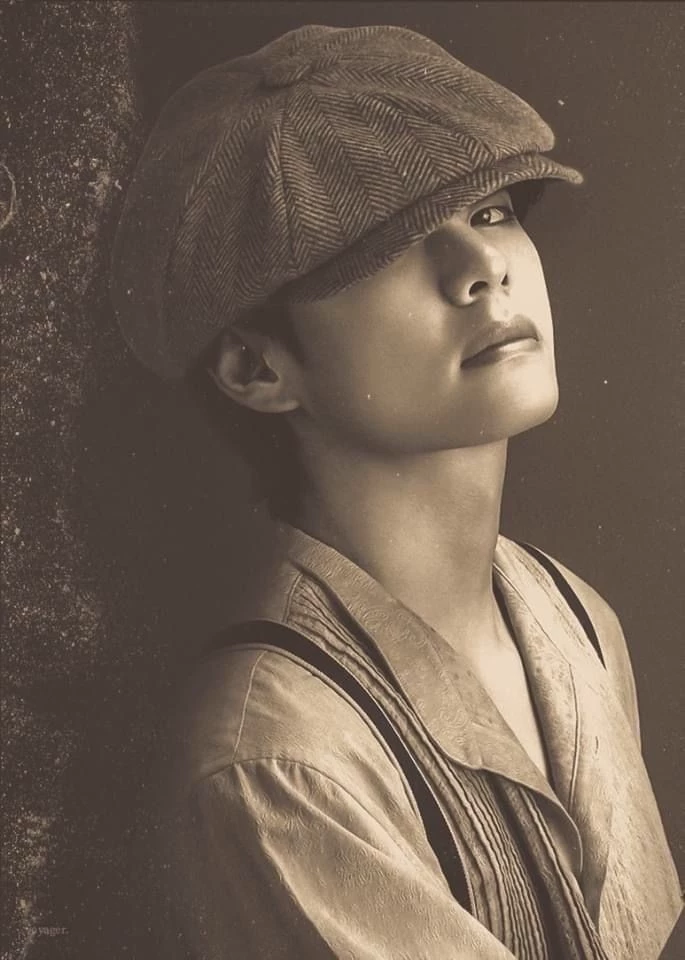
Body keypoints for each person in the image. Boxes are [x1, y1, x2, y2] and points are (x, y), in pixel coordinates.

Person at [110, 24, 682, 960]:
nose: (481, 268)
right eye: (389, 246)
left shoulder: (574, 619)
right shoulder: (276, 759)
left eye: (490, 211)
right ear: (257, 368)